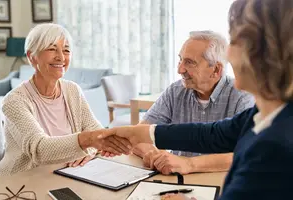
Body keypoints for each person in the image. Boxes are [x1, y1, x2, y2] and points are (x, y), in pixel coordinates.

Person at [98, 0, 293, 199]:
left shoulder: (275, 148)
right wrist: (138, 133)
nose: (229, 54)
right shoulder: (264, 115)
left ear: (265, 53)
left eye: (234, 40)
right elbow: (211, 134)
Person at [0, 23, 131, 177]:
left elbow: (97, 133)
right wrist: (87, 142)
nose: (61, 57)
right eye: (52, 49)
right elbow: (39, 150)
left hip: (64, 175)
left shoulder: (72, 90)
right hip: (20, 182)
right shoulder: (14, 101)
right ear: (31, 57)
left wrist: (89, 150)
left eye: (66, 50)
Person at [133, 30, 254, 174]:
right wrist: (153, 154)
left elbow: (247, 152)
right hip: (175, 179)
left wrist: (189, 164)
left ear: (216, 69)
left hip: (219, 181)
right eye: (180, 60)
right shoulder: (175, 90)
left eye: (189, 62)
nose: (179, 69)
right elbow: (139, 134)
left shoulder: (242, 96)